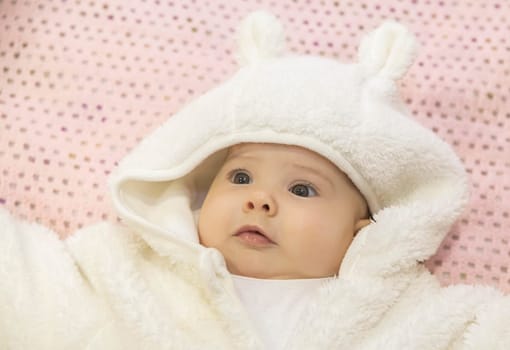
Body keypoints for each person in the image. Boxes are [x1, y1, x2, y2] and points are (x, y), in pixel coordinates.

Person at [1, 10, 509, 350]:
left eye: (302, 188)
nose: (259, 201)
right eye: (240, 176)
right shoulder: (129, 275)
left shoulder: (410, 318)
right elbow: (26, 285)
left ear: (362, 228)